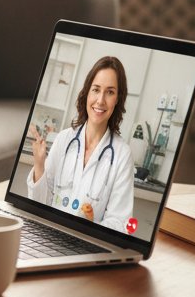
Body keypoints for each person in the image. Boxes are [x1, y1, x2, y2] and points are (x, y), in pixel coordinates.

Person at [26, 55, 135, 233]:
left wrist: (90, 225)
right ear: (87, 93)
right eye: (96, 89)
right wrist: (39, 165)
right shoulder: (63, 140)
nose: (100, 100)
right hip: (48, 235)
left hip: (88, 247)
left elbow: (121, 224)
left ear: (117, 99)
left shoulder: (122, 154)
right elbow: (39, 207)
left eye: (110, 92)